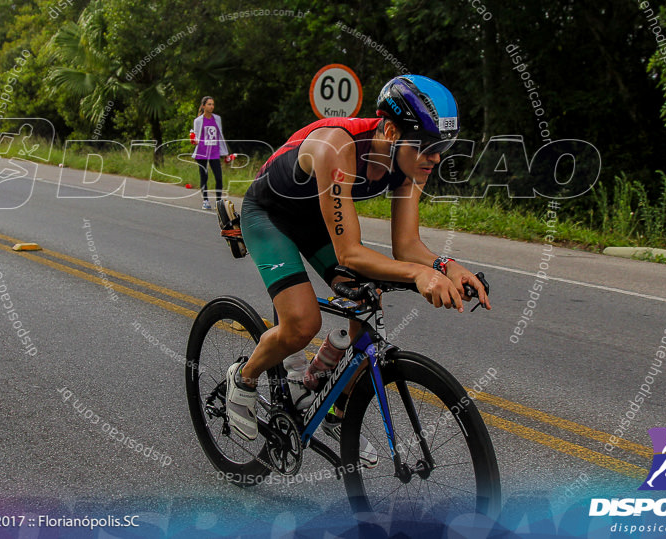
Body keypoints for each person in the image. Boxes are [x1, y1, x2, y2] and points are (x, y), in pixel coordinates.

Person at [226, 75, 492, 458]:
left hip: (316, 217)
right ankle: (245, 377)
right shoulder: (339, 147)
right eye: (428, 146)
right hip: (269, 215)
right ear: (390, 129)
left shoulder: (410, 162)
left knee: (368, 302)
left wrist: (445, 265)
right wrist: (419, 275)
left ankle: (332, 408)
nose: (435, 157)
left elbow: (407, 245)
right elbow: (350, 254)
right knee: (302, 323)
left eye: (443, 147)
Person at [190, 96, 232, 209]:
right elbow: (196, 137)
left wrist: (225, 152)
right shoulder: (198, 121)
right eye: (209, 104)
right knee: (204, 176)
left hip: (214, 152)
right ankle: (205, 201)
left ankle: (218, 201)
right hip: (202, 151)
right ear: (203, 106)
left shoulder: (217, 118)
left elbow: (220, 135)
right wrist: (193, 141)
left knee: (219, 177)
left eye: (213, 104)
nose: (211, 106)